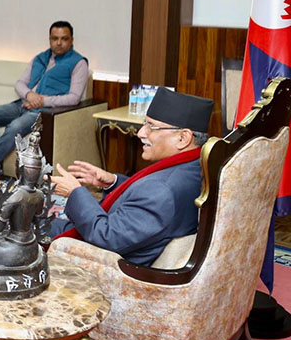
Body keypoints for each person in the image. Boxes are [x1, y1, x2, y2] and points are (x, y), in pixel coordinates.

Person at [48, 88, 213, 266]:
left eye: (152, 126)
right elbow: (148, 200)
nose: (141, 133)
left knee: (32, 224)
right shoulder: (195, 167)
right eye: (144, 124)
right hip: (126, 237)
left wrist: (75, 193)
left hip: (106, 262)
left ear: (183, 138)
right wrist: (113, 182)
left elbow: (105, 237)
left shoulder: (162, 191)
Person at [0, 21, 89, 181]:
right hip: (23, 103)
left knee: (15, 126)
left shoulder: (79, 63)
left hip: (44, 111)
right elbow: (20, 83)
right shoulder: (40, 58)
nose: (59, 43)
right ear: (50, 39)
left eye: (64, 39)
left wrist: (43, 101)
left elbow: (74, 97)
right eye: (55, 38)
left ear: (71, 40)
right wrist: (29, 94)